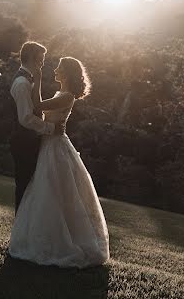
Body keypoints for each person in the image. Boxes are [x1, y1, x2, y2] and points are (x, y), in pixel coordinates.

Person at [9, 56, 110, 268]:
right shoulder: (60, 93)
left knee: (55, 192)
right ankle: (45, 237)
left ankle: (62, 243)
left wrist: (35, 79)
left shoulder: (66, 96)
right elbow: (39, 109)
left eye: (60, 67)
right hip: (49, 143)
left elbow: (37, 106)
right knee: (46, 192)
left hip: (55, 147)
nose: (55, 69)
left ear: (67, 73)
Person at [9, 42, 65, 213]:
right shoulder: (22, 83)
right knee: (25, 186)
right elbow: (25, 118)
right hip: (23, 141)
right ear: (33, 58)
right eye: (41, 60)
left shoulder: (29, 80)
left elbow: (37, 106)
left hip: (29, 140)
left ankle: (25, 228)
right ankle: (20, 229)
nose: (42, 63)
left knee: (30, 187)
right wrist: (50, 127)